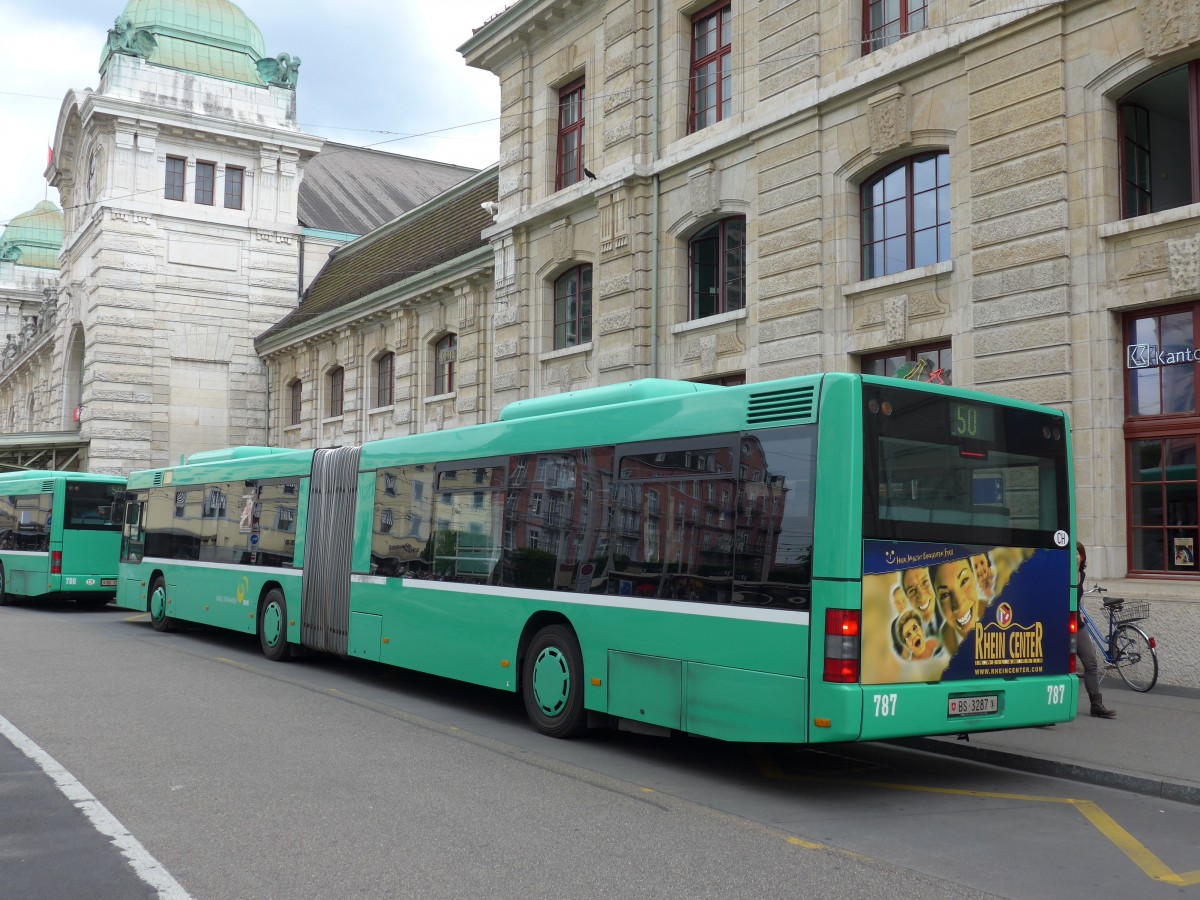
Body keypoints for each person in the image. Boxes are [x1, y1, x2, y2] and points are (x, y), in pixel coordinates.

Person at [1076, 542, 1116, 719]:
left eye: (1078, 553)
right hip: (1060, 626)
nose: (1075, 556)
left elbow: (1076, 597)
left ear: (1083, 557)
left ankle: (1096, 706)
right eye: (1072, 553)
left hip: (1077, 624)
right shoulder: (1062, 573)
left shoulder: (1081, 575)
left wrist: (1078, 611)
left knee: (1091, 663)